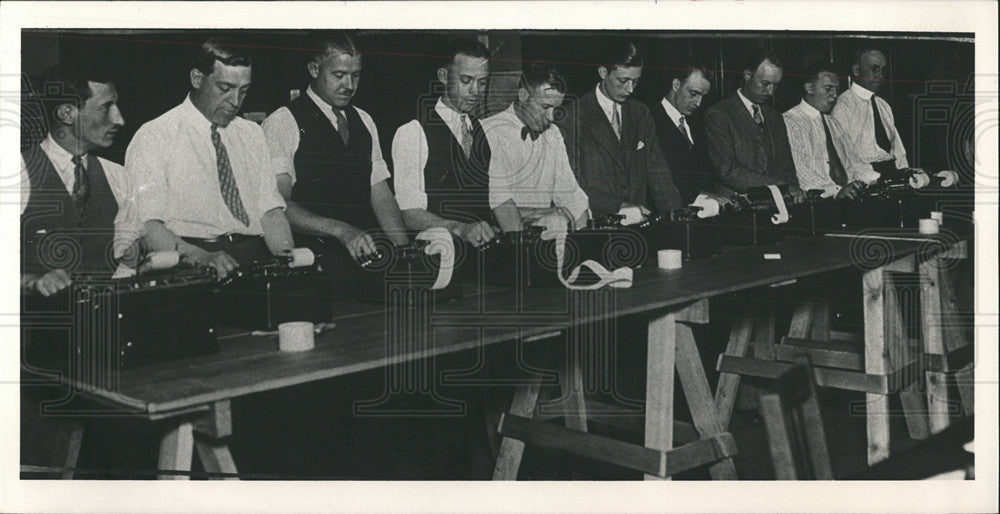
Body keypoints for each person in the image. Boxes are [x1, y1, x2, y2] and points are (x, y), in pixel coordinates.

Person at [126, 37, 294, 278]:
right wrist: (200, 257)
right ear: (197, 78)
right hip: (191, 261)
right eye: (224, 88)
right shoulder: (154, 136)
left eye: (243, 90)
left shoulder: (252, 133)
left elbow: (270, 211)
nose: (235, 102)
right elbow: (147, 224)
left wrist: (288, 259)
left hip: (253, 256)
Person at [261, 31, 408, 262]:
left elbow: (380, 194)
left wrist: (404, 253)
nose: (349, 85)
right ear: (314, 69)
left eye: (355, 75)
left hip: (364, 257)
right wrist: (341, 230)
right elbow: (278, 205)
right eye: (339, 75)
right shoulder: (283, 121)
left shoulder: (364, 120)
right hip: (313, 260)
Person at [21, 64, 140, 297]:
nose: (119, 120)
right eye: (106, 108)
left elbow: (128, 258)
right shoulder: (17, 173)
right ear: (66, 113)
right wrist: (30, 282)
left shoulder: (118, 176)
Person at [391, 37, 496, 247]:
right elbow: (408, 213)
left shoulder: (482, 130)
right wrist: (460, 229)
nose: (475, 91)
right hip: (439, 255)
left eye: (482, 82)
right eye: (466, 80)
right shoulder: (413, 132)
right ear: (443, 76)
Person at [559, 42, 682, 220]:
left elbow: (658, 173)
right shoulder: (572, 117)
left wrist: (676, 216)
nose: (630, 89)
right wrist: (618, 206)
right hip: (596, 223)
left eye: (635, 81)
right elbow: (572, 184)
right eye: (623, 81)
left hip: (638, 225)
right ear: (603, 72)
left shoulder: (641, 113)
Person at [483, 64, 590, 232]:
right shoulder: (488, 132)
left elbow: (571, 194)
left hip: (545, 234)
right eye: (545, 107)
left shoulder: (553, 134)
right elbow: (494, 207)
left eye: (555, 109)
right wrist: (543, 213)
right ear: (523, 95)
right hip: (504, 236)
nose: (551, 117)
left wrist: (585, 238)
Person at [705, 48, 804, 201]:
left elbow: (788, 167)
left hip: (777, 203)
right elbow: (727, 169)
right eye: (765, 83)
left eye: (775, 85)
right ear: (747, 75)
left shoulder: (775, 117)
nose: (770, 92)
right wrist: (780, 187)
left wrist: (794, 189)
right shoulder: (719, 113)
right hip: (737, 204)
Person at [783, 61, 877, 199]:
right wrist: (837, 191)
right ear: (809, 88)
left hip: (846, 197)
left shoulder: (833, 124)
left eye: (837, 89)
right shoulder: (790, 122)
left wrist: (878, 179)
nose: (834, 95)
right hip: (817, 201)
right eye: (828, 88)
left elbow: (853, 162)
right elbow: (802, 173)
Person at [830, 49, 909, 176]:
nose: (881, 76)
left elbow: (898, 150)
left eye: (883, 70)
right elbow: (846, 158)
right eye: (875, 69)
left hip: (891, 174)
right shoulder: (843, 107)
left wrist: (906, 174)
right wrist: (876, 177)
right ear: (856, 70)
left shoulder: (883, 105)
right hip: (865, 177)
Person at [650, 62, 720, 205]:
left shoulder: (698, 121)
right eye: (693, 94)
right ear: (676, 85)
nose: (698, 103)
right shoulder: (649, 120)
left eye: (702, 96)